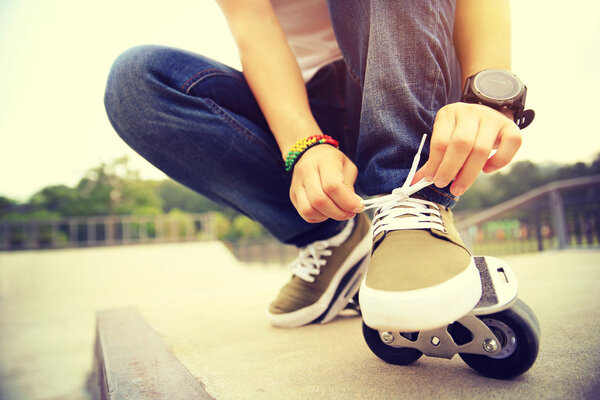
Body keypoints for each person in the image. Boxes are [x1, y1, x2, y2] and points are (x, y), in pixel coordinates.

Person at [104, 0, 532, 330]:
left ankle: (411, 205)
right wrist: (305, 146)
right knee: (136, 84)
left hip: (410, 74)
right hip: (302, 106)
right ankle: (333, 233)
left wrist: (489, 95)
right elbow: (254, 28)